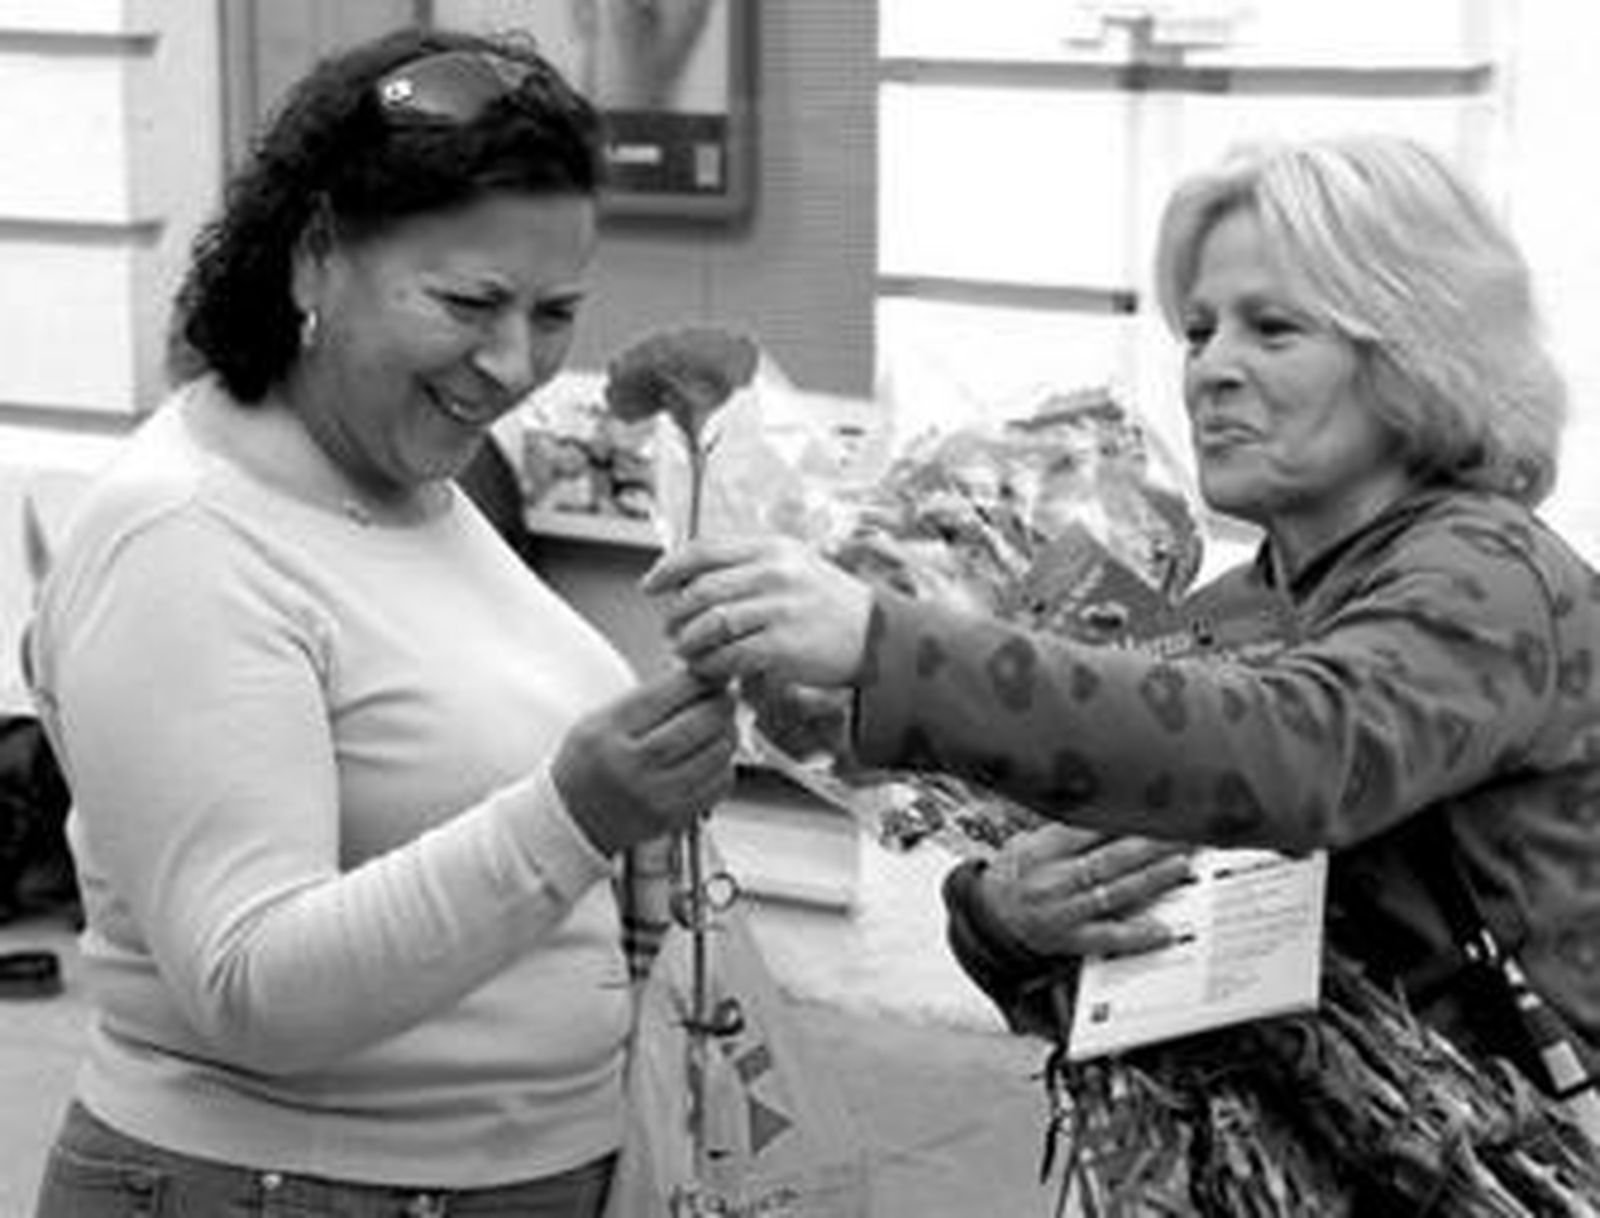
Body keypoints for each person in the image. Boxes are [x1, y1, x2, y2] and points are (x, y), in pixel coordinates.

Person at [643, 133, 1600, 1082]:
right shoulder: (1228, 612)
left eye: (1273, 328)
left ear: (1416, 353)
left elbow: (1298, 757)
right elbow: (1124, 923)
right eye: (1198, 329)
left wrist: (883, 642)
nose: (1212, 368)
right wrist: (1005, 918)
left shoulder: (1494, 574)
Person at [25, 26, 738, 1217]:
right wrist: (579, 811)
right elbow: (255, 985)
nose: (513, 363)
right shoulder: (185, 535)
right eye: (468, 301)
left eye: (555, 313)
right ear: (313, 259)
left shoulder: (411, 480)